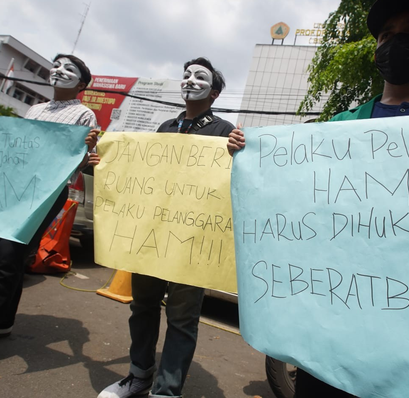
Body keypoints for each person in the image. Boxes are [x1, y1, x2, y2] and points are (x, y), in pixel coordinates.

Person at [227, 0, 409, 397]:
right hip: (330, 349)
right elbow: (293, 213)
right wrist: (249, 158)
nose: (397, 41)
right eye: (387, 33)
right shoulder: (335, 130)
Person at [98, 57, 234, 398]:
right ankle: (139, 375)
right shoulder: (165, 128)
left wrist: (240, 152)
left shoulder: (224, 132)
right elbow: (143, 176)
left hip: (194, 244)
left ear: (214, 93)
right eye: (185, 74)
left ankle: (166, 392)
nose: (189, 80)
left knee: (182, 319)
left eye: (200, 76)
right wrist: (107, 164)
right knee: (142, 306)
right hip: (153, 237)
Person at [0, 53, 98, 339]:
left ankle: (3, 320)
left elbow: (77, 162)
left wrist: (86, 155)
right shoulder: (35, 109)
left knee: (11, 253)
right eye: (57, 66)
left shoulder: (84, 115)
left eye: (69, 69)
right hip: (15, 186)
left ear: (82, 84)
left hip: (46, 193)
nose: (59, 71)